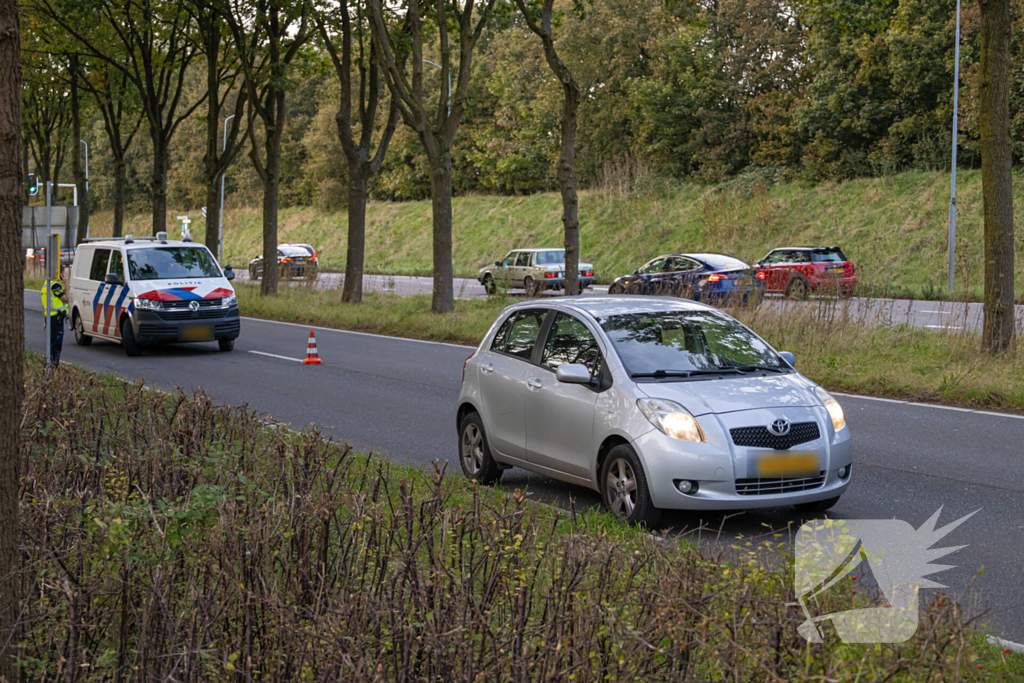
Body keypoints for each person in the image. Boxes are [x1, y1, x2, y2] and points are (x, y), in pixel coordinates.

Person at [41, 277, 69, 367]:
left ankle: (49, 366)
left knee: (51, 343)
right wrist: (66, 284)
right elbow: (66, 299)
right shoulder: (55, 286)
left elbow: (43, 306)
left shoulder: (45, 285)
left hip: (49, 318)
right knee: (56, 345)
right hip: (56, 319)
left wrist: (45, 320)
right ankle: (53, 368)